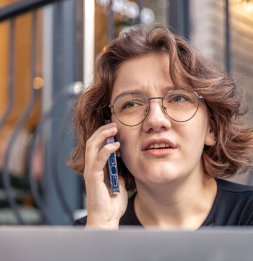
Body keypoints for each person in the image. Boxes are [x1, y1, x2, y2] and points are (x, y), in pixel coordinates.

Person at [69, 24, 253, 228]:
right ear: (110, 136)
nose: (156, 121)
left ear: (211, 128)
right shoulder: (92, 230)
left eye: (179, 98)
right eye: (131, 104)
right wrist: (103, 227)